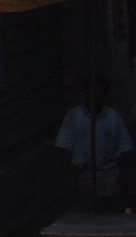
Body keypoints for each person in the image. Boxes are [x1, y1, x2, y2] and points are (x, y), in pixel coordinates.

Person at [55, 77, 134, 210]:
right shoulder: (73, 117)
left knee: (108, 211)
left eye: (98, 96)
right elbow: (65, 147)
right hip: (83, 174)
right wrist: (67, 177)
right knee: (85, 212)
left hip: (108, 175)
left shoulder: (113, 117)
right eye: (91, 95)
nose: (94, 99)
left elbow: (124, 149)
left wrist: (123, 179)